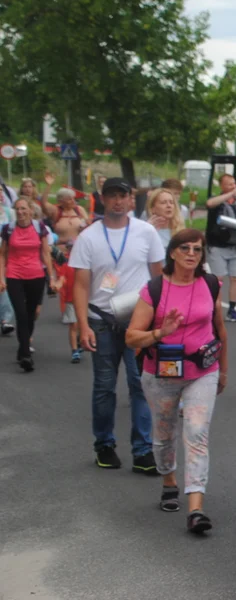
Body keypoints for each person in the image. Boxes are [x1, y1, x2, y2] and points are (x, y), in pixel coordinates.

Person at [125, 229, 228, 535]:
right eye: (185, 248)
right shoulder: (154, 289)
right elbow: (131, 337)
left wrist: (223, 369)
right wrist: (160, 332)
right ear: (172, 253)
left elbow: (220, 330)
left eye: (198, 249)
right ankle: (168, 479)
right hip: (161, 375)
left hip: (202, 372)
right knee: (164, 434)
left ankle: (196, 508)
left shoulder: (210, 284)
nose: (192, 254)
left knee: (196, 433)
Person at [71, 177, 165, 472]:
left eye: (122, 195)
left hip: (138, 321)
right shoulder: (89, 237)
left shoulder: (146, 233)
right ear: (102, 198)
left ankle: (142, 450)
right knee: (104, 387)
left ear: (130, 198)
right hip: (102, 320)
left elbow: (158, 278)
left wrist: (158, 323)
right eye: (111, 195)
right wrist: (83, 325)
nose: (117, 201)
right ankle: (105, 445)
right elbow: (81, 287)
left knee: (141, 385)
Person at [0, 198, 57, 370]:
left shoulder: (39, 228)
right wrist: (1, 278)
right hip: (14, 274)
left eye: (23, 209)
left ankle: (22, 347)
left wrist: (51, 277)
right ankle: (25, 354)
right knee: (21, 314)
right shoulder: (8, 229)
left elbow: (46, 254)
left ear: (30, 211)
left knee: (31, 314)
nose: (20, 212)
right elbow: (2, 254)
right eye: (17, 209)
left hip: (36, 275)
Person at [205, 174, 236, 323]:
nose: (233, 187)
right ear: (222, 186)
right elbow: (209, 204)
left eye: (234, 184)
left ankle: (232, 309)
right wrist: (229, 195)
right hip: (218, 246)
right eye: (229, 184)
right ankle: (215, 308)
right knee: (218, 279)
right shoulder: (217, 201)